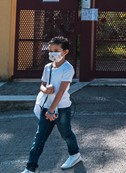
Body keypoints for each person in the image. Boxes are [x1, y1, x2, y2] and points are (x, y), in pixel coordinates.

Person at [22, 36, 81, 173]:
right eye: (50, 50)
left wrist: (52, 110)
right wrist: (45, 90)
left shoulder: (68, 68)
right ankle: (30, 168)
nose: (52, 53)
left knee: (66, 135)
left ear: (65, 52)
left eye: (56, 50)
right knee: (39, 139)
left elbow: (61, 91)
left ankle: (75, 155)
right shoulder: (47, 67)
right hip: (46, 109)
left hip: (61, 109)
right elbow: (42, 86)